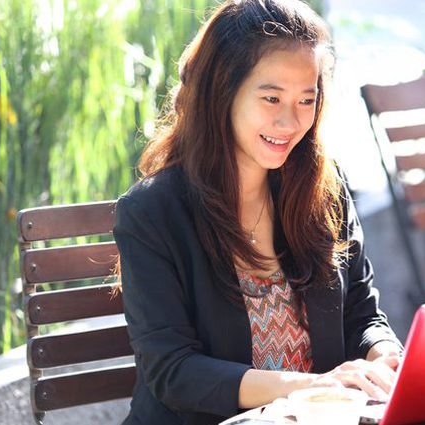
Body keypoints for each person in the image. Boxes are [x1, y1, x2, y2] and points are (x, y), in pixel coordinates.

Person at [114, 0, 403, 424]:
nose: (290, 121)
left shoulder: (323, 188)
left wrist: (385, 361)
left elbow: (362, 313)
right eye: (271, 98)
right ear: (222, 93)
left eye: (307, 100)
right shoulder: (151, 212)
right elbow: (173, 371)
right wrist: (311, 388)